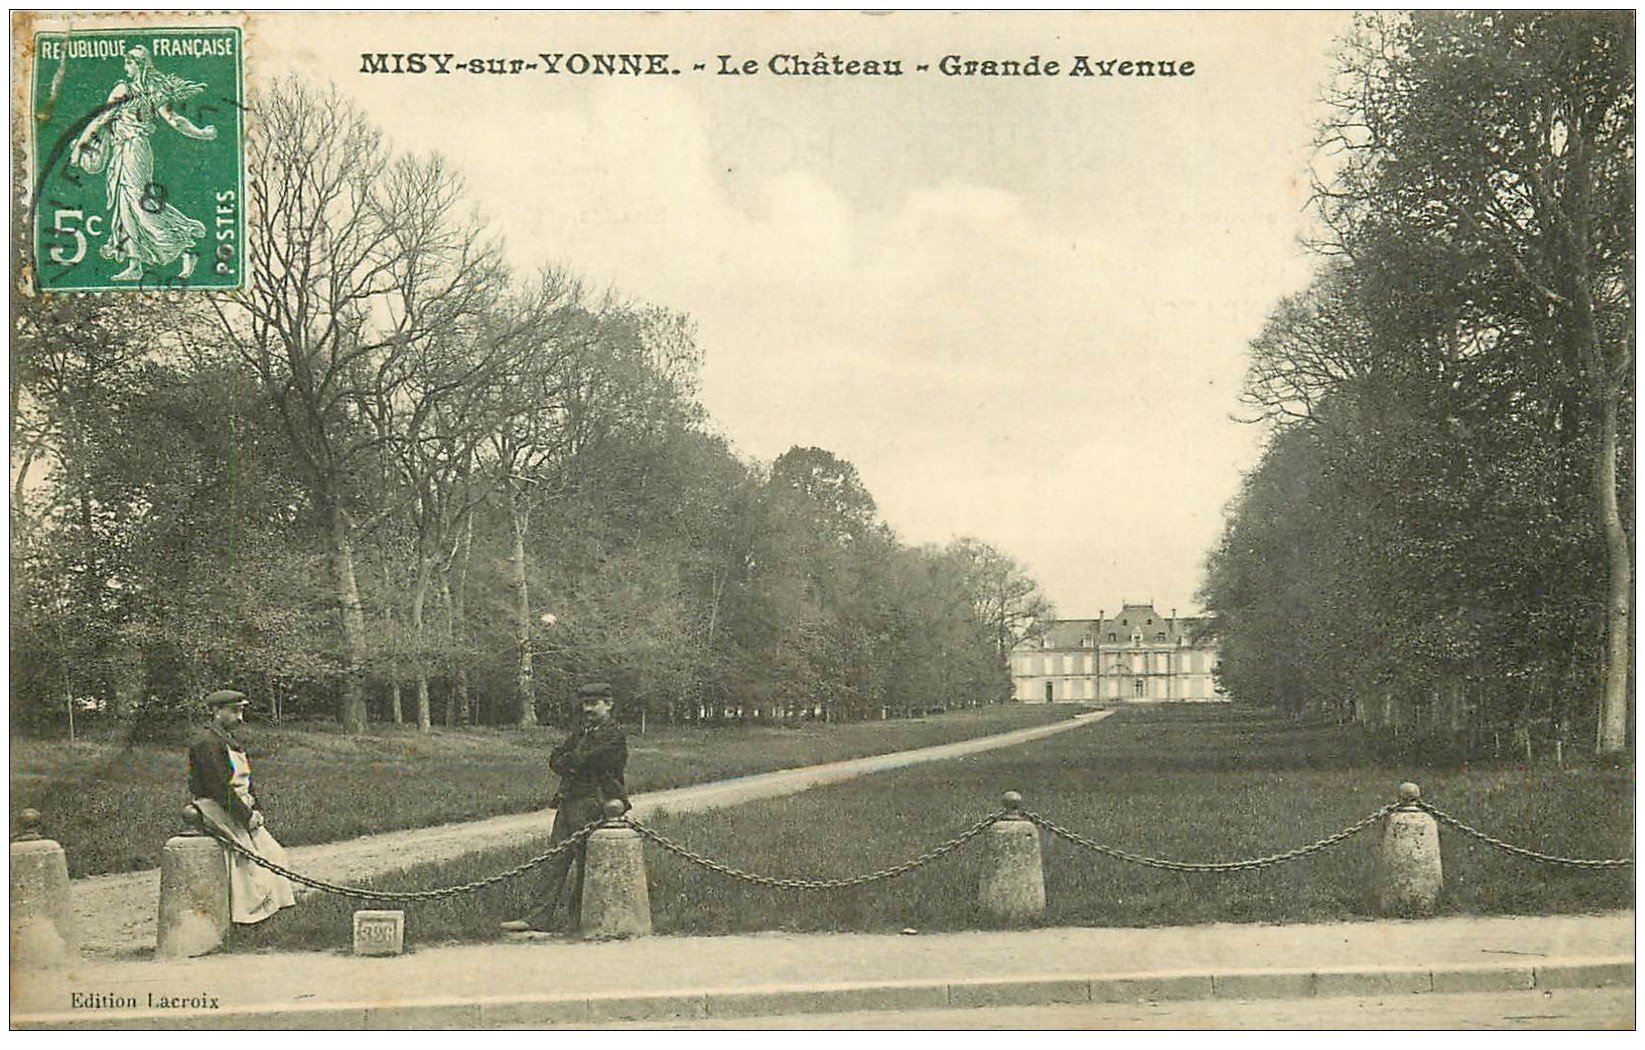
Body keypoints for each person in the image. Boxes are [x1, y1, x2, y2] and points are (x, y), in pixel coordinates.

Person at [70, 45, 216, 282]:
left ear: (138, 65)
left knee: (138, 202)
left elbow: (100, 119)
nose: (125, 67)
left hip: (133, 150)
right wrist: (200, 133)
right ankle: (135, 263)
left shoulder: (124, 89)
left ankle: (184, 244)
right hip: (127, 150)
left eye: (128, 63)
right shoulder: (153, 91)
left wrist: (78, 148)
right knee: (126, 204)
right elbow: (175, 120)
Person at [501, 682, 629, 934]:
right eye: (585, 704)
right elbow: (556, 759)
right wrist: (573, 761)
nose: (588, 709)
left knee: (587, 863)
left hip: (596, 802)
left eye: (594, 704)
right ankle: (537, 918)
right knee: (555, 861)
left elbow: (587, 760)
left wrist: (572, 761)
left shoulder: (613, 734)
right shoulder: (582, 731)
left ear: (609, 705)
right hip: (569, 801)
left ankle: (581, 920)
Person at [187, 689, 296, 925]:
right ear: (216, 711)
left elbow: (244, 781)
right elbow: (219, 788)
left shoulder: (226, 739)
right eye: (235, 711)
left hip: (237, 806)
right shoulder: (206, 743)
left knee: (274, 853)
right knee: (249, 861)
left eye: (241, 711)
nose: (240, 718)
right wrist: (245, 816)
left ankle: (271, 914)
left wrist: (254, 808)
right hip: (216, 807)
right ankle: (245, 920)